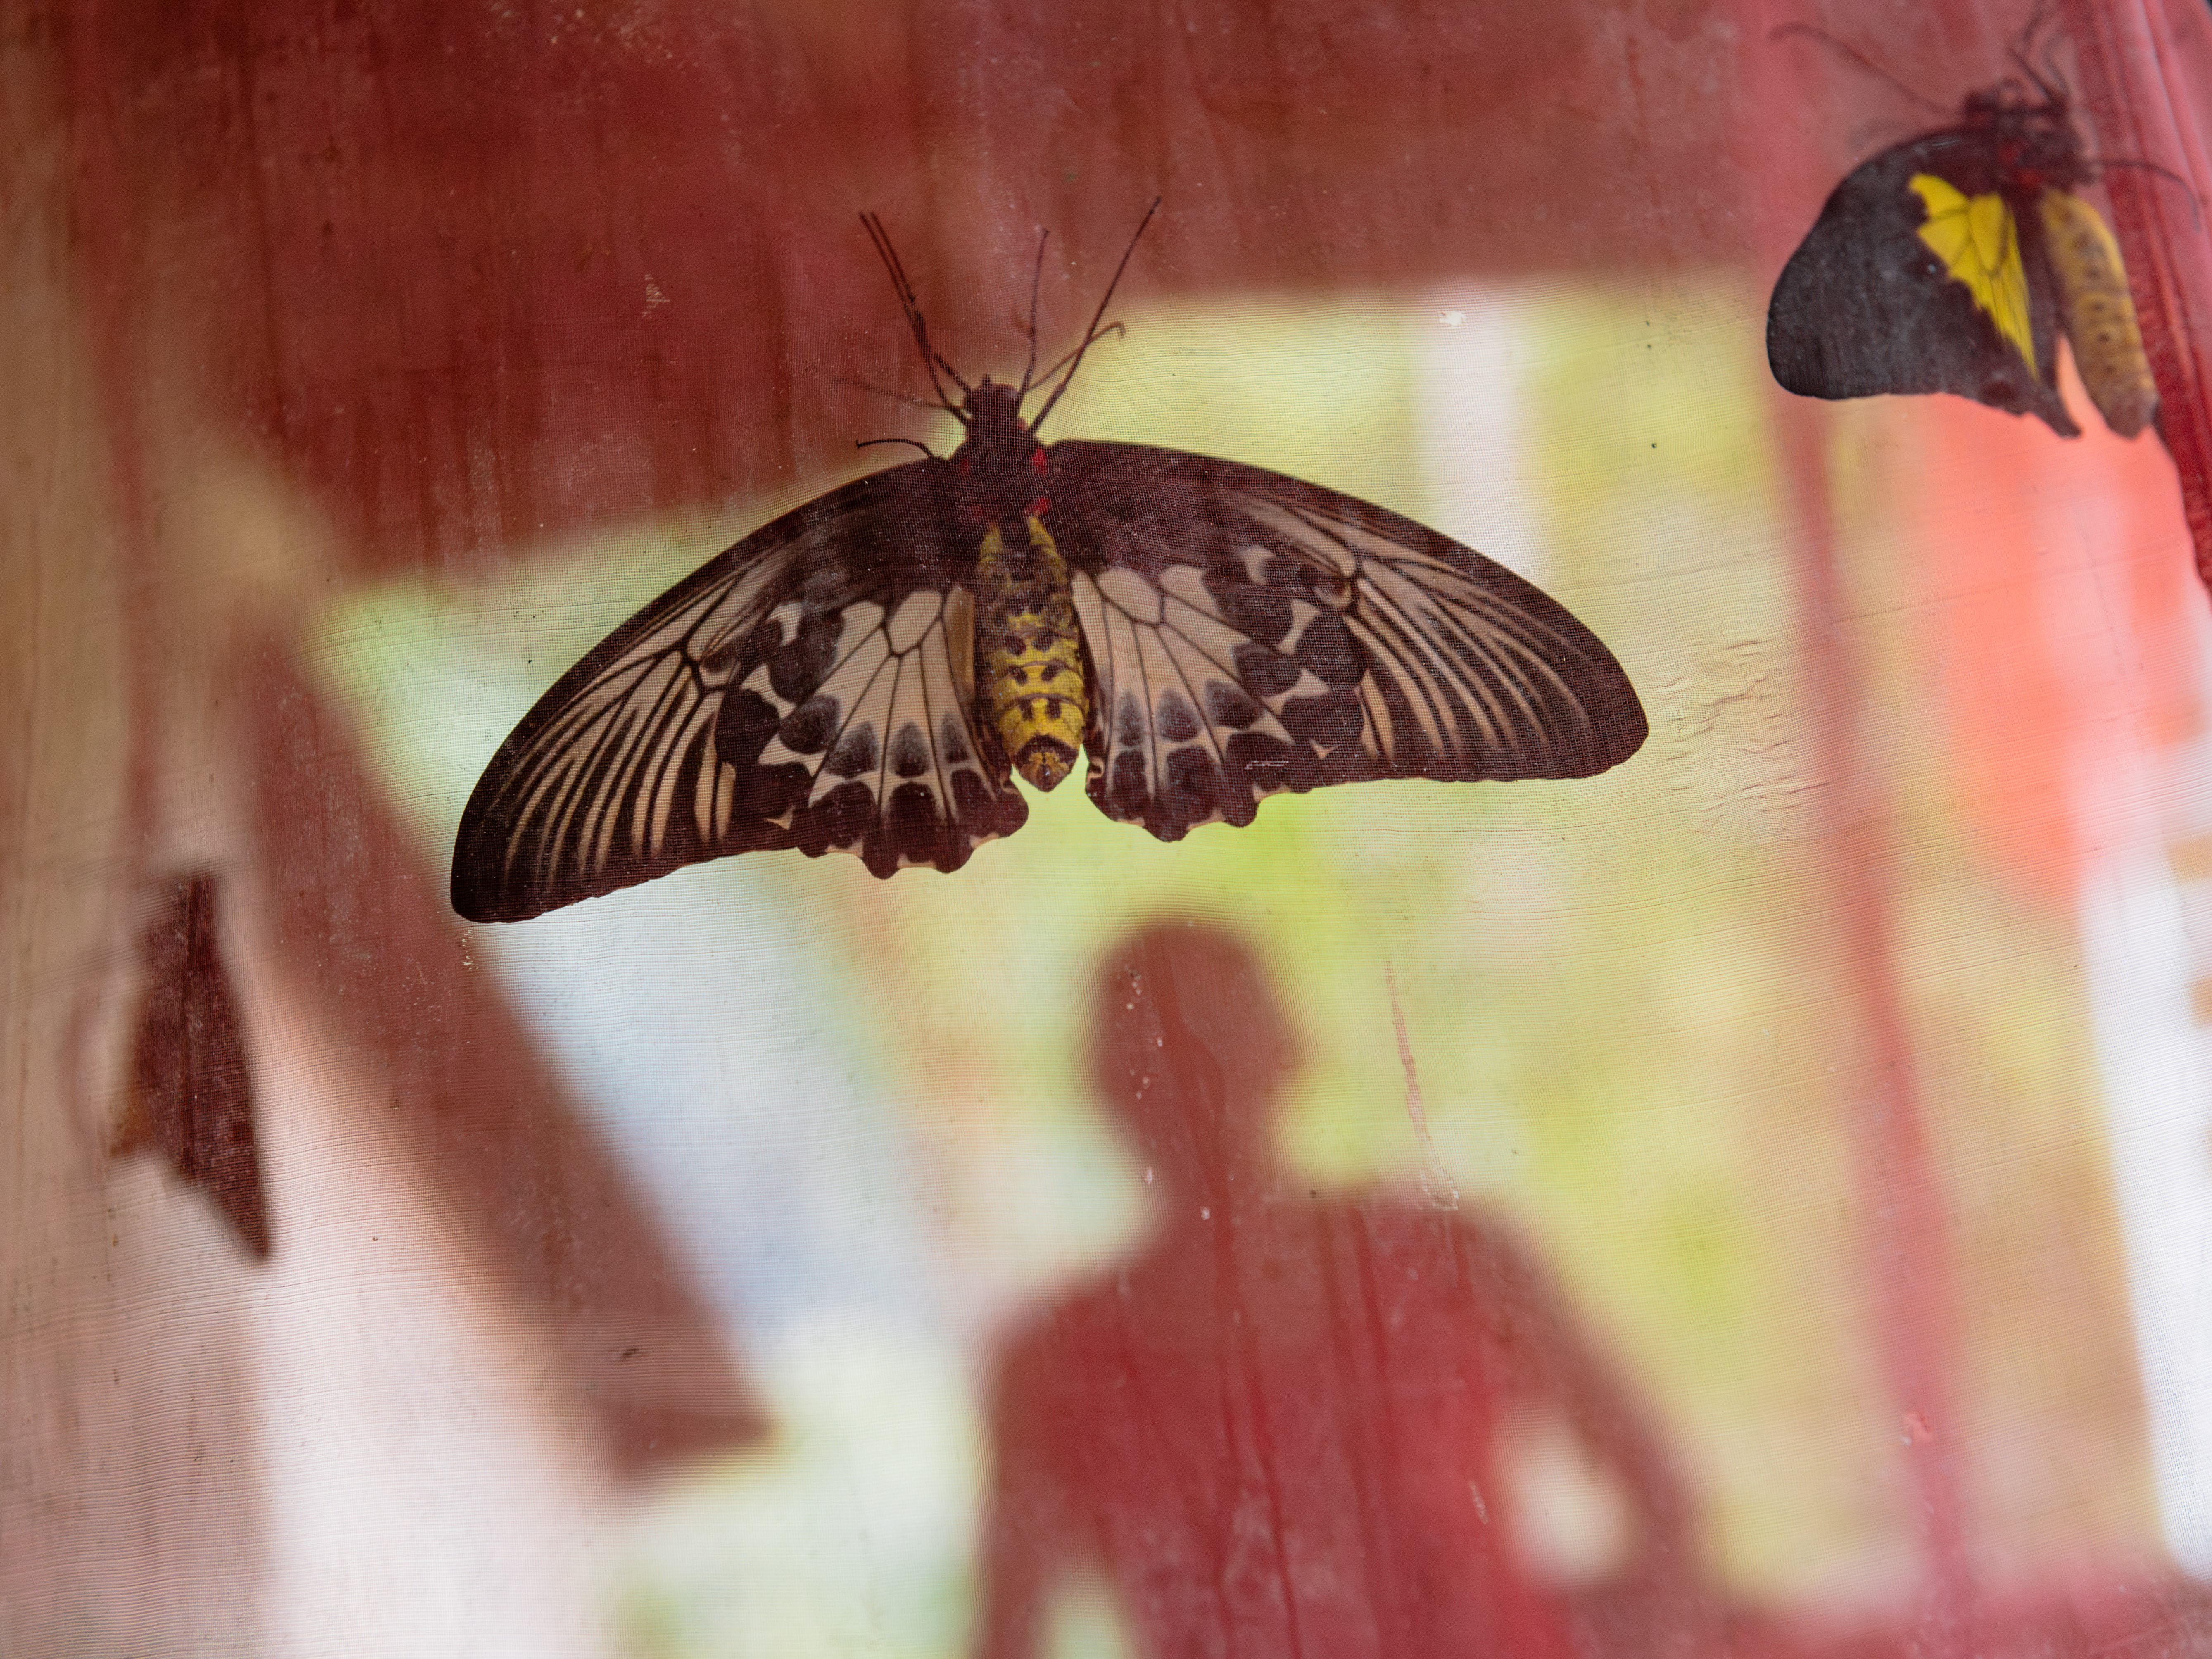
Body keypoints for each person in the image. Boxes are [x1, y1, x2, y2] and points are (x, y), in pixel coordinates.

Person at [974, 918, 1699, 1659]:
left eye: (1216, 1043)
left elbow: (1664, 1500)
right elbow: (1006, 1635)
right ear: (1108, 1091)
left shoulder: (1452, 1262)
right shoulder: (1053, 1367)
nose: (1193, 1091)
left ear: (1285, 1049)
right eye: (1156, 1062)